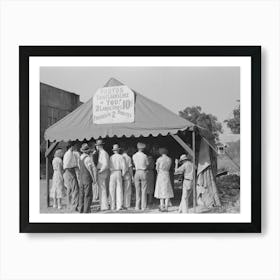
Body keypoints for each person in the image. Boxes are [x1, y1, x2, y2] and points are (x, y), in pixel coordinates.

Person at [78, 143, 97, 213]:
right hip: (87, 178)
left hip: (81, 178)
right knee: (88, 195)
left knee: (81, 195)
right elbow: (90, 169)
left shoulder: (80, 158)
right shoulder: (88, 158)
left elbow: (80, 168)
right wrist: (94, 178)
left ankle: (81, 209)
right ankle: (86, 210)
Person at [154, 148, 174, 212]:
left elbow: (157, 168)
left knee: (161, 190)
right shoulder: (169, 159)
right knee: (167, 189)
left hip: (161, 174)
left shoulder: (159, 159)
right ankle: (166, 206)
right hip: (167, 174)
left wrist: (159, 171)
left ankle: (161, 206)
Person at [63, 141, 80, 212]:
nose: (75, 147)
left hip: (69, 171)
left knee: (70, 189)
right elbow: (67, 165)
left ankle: (70, 205)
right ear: (72, 146)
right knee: (75, 189)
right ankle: (74, 206)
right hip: (70, 171)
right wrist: (75, 166)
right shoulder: (69, 154)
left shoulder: (69, 153)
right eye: (74, 146)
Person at [109, 144, 126, 211]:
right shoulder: (121, 157)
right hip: (118, 172)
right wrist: (123, 174)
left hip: (112, 172)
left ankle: (112, 206)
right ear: (118, 150)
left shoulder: (111, 157)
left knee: (112, 189)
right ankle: (119, 206)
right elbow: (124, 167)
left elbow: (109, 167)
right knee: (119, 189)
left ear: (113, 151)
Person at [132, 142, 149, 211]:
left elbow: (133, 164)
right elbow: (147, 164)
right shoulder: (145, 156)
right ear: (143, 148)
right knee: (144, 190)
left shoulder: (134, 155)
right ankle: (143, 206)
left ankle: (137, 206)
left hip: (137, 171)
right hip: (143, 171)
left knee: (137, 190)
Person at [96, 139, 110, 210]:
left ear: (99, 146)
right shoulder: (101, 153)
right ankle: (102, 205)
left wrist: (100, 171)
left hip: (102, 171)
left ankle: (104, 206)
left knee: (103, 188)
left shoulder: (103, 153)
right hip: (102, 171)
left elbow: (105, 164)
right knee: (102, 189)